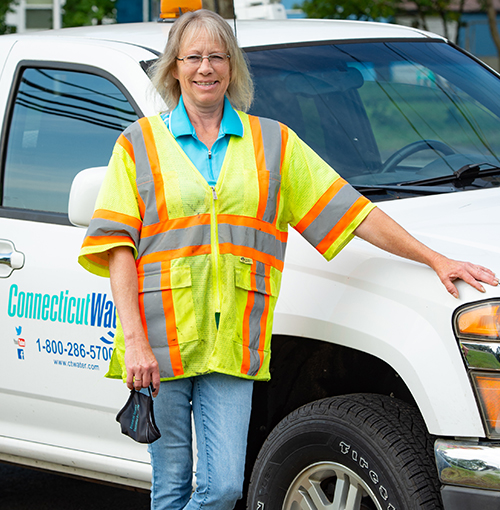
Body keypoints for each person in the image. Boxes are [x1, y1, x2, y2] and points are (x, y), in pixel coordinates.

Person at [78, 9, 498, 510]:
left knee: (225, 488)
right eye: (193, 58)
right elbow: (117, 246)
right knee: (170, 486)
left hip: (234, 342)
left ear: (232, 68)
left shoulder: (272, 144)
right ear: (174, 69)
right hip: (159, 344)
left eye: (217, 57)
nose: (205, 68)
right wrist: (135, 343)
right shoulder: (139, 145)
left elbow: (350, 211)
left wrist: (433, 257)